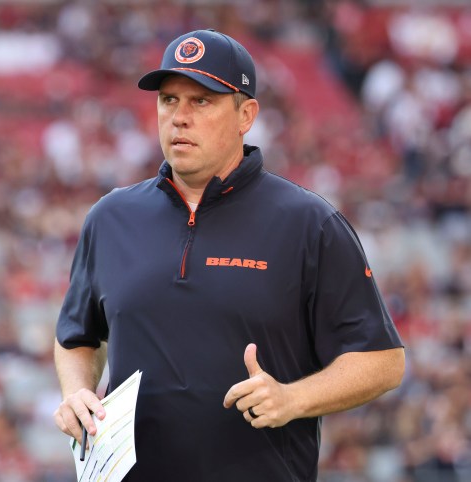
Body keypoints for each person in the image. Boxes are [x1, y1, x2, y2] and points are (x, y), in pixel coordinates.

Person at [53, 29, 405, 481]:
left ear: (246, 114)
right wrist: (77, 391)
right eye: (168, 100)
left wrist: (293, 399)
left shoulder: (308, 223)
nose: (179, 117)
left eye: (201, 101)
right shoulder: (111, 217)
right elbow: (77, 336)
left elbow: (383, 361)